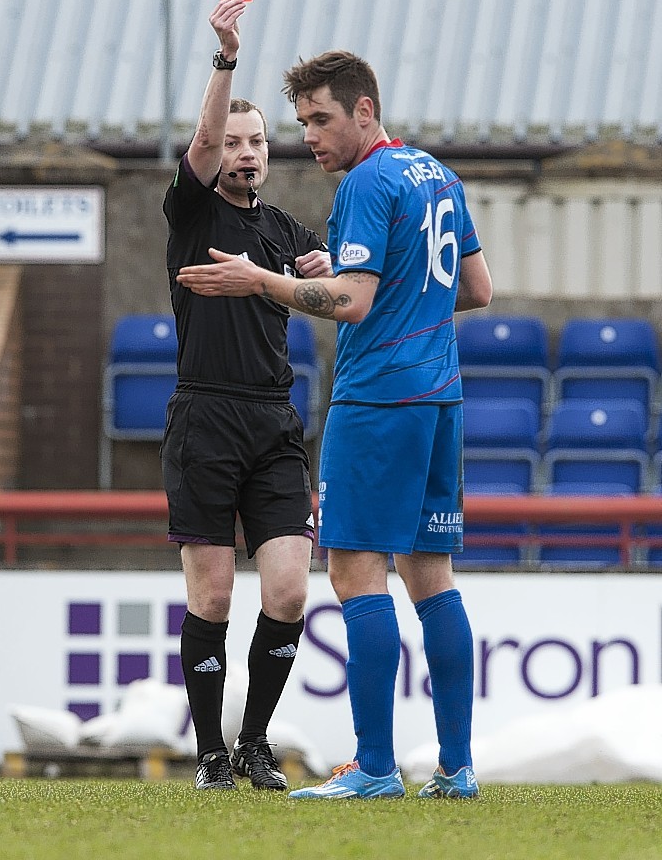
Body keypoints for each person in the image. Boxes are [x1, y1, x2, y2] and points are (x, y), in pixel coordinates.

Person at [176, 49, 494, 800]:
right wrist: (384, 300)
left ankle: (376, 768)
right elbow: (475, 288)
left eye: (320, 119)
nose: (309, 137)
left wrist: (262, 280)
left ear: (363, 110)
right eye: (302, 122)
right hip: (440, 395)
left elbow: (350, 302)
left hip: (378, 399)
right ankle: (455, 767)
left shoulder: (367, 181)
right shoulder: (434, 174)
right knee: (432, 580)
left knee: (355, 574)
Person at [162, 0, 332, 792]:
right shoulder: (190, 210)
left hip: (272, 422)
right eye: (232, 141)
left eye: (257, 141)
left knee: (291, 591)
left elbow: (333, 290)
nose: (244, 152)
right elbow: (199, 139)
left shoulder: (289, 234)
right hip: (203, 415)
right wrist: (225, 58)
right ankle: (207, 755)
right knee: (214, 592)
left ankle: (255, 743)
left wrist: (326, 276)